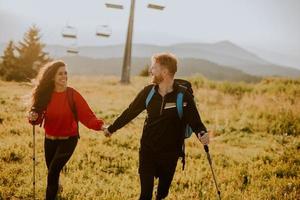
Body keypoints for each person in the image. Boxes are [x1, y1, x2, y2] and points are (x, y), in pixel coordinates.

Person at [103, 53, 209, 200]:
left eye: (154, 67)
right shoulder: (148, 92)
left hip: (170, 154)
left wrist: (203, 134)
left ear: (165, 72)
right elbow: (130, 112)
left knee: (161, 194)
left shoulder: (183, 96)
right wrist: (111, 128)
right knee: (145, 195)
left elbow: (196, 122)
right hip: (148, 150)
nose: (151, 70)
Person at [28, 60, 105, 200]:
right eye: (60, 74)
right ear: (52, 77)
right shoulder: (45, 95)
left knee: (52, 172)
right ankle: (57, 188)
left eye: (65, 73)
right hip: (49, 140)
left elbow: (87, 116)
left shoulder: (72, 94)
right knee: (52, 171)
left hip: (68, 140)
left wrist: (101, 126)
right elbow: (36, 118)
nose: (64, 76)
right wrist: (33, 116)